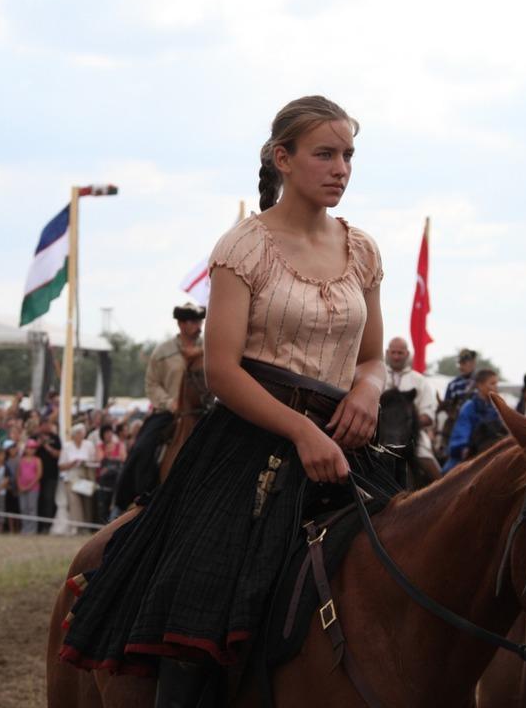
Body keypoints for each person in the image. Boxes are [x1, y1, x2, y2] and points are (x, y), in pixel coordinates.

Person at [60, 95, 397, 704]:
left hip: (348, 443)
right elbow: (221, 371)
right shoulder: (245, 247)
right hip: (249, 447)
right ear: (283, 159)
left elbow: (372, 356)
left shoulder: (363, 250)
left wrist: (369, 390)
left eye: (348, 154)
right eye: (325, 153)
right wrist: (301, 431)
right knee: (202, 589)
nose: (341, 168)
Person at [113, 303, 208, 511]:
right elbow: (152, 383)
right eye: (193, 321)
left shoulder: (208, 350)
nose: (198, 325)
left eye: (200, 321)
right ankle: (133, 502)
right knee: (142, 448)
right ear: (181, 324)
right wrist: (169, 402)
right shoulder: (163, 351)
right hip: (168, 412)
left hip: (204, 411)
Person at [383, 337, 440, 482]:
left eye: (400, 353)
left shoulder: (420, 381)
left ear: (407, 354)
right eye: (393, 352)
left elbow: (428, 414)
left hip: (415, 438)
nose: (396, 356)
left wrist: (407, 424)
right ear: (387, 353)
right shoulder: (378, 376)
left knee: (429, 464)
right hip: (377, 436)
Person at [443, 369, 505, 472]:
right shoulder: (469, 407)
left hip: (494, 452)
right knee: (448, 473)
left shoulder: (496, 407)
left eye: (496, 383)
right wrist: (463, 447)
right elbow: (462, 429)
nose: (496, 387)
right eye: (492, 383)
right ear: (480, 385)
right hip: (472, 451)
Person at [58, 423, 95, 532]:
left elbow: (94, 460)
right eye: (78, 433)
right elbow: (61, 465)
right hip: (71, 476)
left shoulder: (89, 445)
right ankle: (76, 527)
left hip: (86, 475)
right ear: (73, 435)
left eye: (82, 432)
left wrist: (85, 462)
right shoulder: (67, 446)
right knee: (74, 502)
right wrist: (72, 463)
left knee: (87, 502)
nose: (80, 435)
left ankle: (87, 526)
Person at [17, 441, 42, 535]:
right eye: (29, 448)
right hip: (22, 488)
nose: (30, 450)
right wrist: (20, 485)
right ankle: (25, 528)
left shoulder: (37, 460)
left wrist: (29, 486)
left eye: (33, 448)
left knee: (32, 508)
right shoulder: (21, 460)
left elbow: (39, 474)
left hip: (33, 488)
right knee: (23, 508)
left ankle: (32, 529)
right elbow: (18, 474)